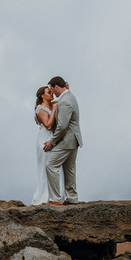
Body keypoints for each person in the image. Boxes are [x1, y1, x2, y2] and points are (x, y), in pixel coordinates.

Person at [44, 76, 83, 205]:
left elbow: (62, 126)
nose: (52, 92)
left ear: (56, 87)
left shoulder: (64, 102)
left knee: (51, 165)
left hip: (66, 140)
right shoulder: (70, 96)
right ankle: (72, 199)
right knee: (69, 169)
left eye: (52, 89)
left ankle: (55, 199)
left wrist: (52, 141)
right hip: (74, 140)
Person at [31, 86, 58, 205]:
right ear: (42, 95)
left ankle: (55, 196)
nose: (51, 93)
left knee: (53, 167)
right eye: (49, 92)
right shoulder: (41, 108)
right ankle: (43, 197)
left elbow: (64, 97)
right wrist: (54, 110)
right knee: (45, 167)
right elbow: (48, 125)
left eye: (52, 91)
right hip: (44, 138)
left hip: (52, 138)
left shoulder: (52, 104)